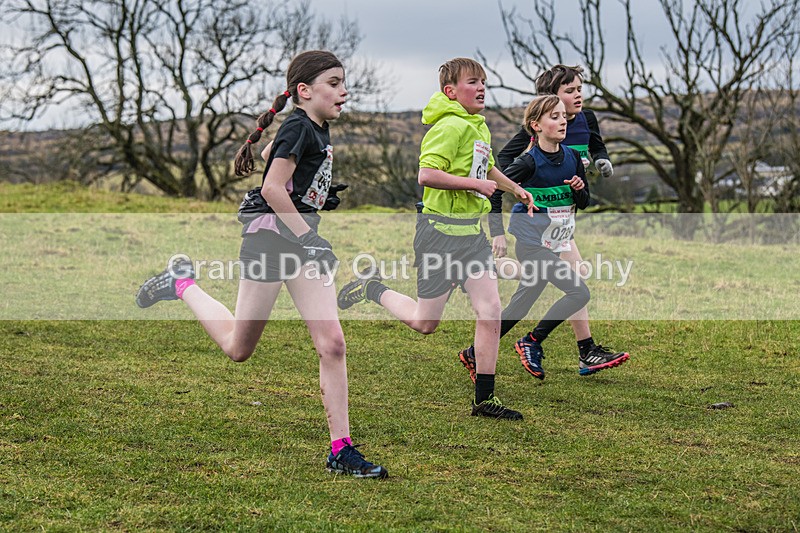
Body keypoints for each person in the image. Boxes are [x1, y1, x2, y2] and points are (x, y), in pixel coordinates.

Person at [134, 50, 387, 479]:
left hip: (300, 243)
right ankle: (181, 283)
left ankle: (340, 450)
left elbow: (276, 163)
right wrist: (310, 235)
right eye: (334, 82)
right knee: (238, 348)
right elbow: (271, 188)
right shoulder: (298, 126)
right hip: (271, 241)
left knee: (333, 343)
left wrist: (316, 197)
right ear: (304, 91)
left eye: (344, 82)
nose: (344, 91)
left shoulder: (316, 128)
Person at [337, 57, 536, 420]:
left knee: (491, 310)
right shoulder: (448, 127)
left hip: (471, 237)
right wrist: (476, 185)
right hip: (438, 237)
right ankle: (372, 289)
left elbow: (486, 166)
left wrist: (515, 189)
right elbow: (427, 174)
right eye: (472, 82)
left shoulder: (477, 125)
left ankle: (484, 399)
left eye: (483, 83)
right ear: (450, 91)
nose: (480, 88)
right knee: (425, 323)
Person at [460, 95, 627, 383]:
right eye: (554, 116)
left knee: (520, 306)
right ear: (536, 125)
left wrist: (578, 188)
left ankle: (474, 352)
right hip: (531, 243)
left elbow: (584, 202)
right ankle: (532, 341)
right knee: (579, 292)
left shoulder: (573, 158)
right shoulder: (528, 162)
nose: (563, 120)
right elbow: (496, 189)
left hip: (557, 241)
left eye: (563, 115)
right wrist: (497, 231)